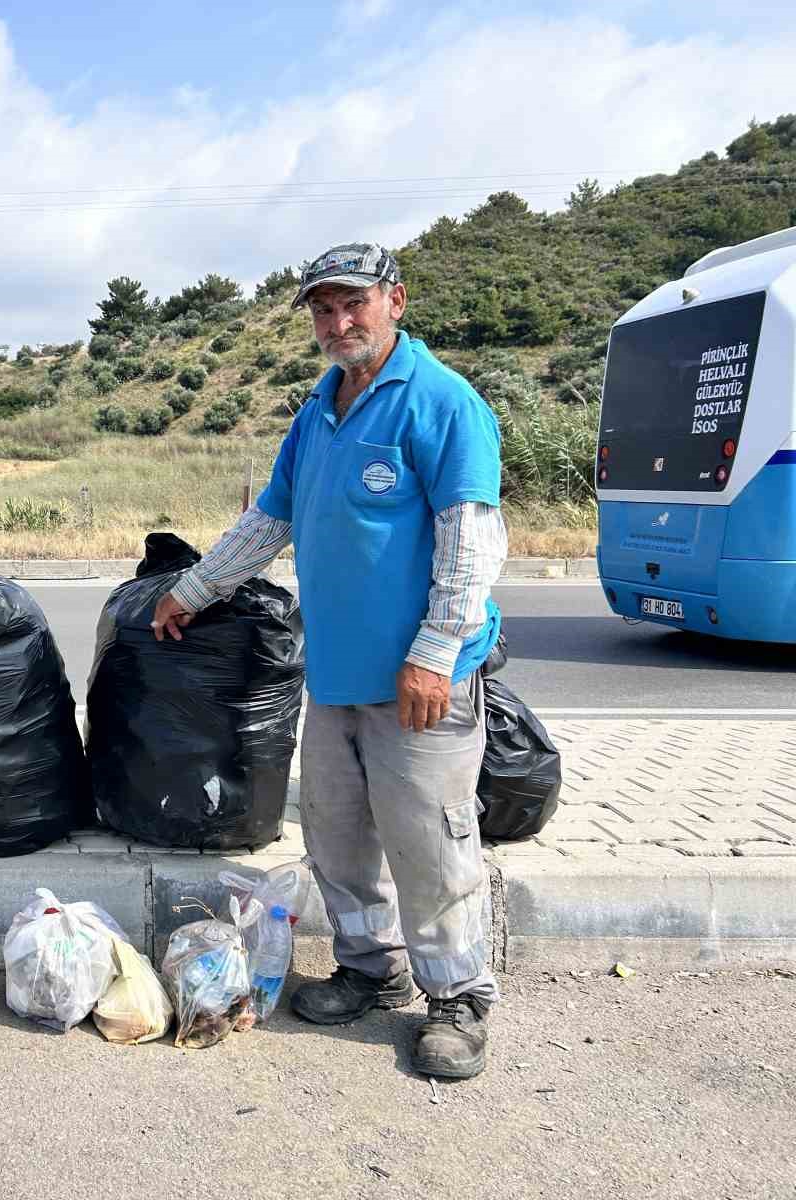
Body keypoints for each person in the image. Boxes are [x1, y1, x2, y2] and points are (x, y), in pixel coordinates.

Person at [152, 242, 508, 1079]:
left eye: (353, 304)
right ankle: (370, 969)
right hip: (337, 678)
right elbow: (269, 522)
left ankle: (458, 999)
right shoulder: (316, 413)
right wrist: (193, 589)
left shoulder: (442, 403)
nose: (337, 322)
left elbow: (471, 543)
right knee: (338, 837)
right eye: (322, 309)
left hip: (423, 684)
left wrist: (434, 652)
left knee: (431, 843)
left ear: (395, 301)